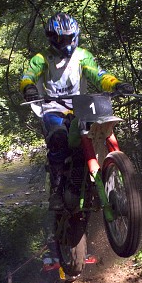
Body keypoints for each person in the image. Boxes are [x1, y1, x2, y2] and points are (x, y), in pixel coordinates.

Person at [20, 12, 134, 210]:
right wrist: (28, 88)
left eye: (69, 38)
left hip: (81, 107)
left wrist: (116, 85)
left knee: (98, 134)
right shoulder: (41, 59)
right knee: (58, 137)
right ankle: (56, 190)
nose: (66, 43)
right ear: (52, 38)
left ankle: (108, 180)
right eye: (61, 39)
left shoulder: (82, 56)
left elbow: (99, 75)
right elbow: (28, 76)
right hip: (53, 109)